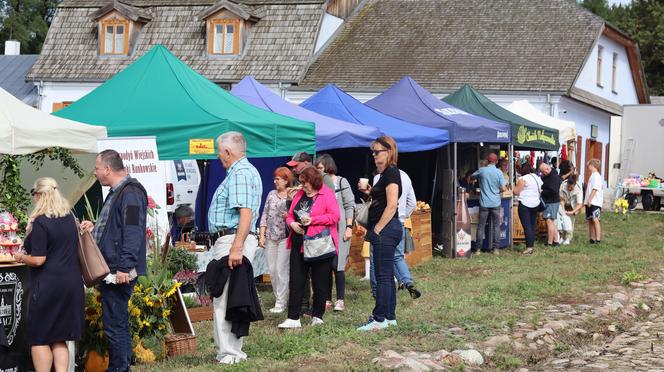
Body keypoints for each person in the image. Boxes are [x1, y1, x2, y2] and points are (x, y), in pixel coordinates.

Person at [80, 150, 147, 372]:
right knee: (116, 322)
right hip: (113, 268)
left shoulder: (131, 193)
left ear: (107, 169)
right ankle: (121, 367)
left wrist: (124, 267)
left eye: (97, 169)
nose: (96, 173)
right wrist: (95, 226)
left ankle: (119, 368)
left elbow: (133, 230)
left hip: (118, 271)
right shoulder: (118, 192)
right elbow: (116, 225)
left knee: (115, 325)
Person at [14, 178, 83, 372]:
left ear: (40, 195)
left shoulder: (41, 222)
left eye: (33, 194)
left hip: (48, 287)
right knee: (59, 337)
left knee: (39, 337)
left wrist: (20, 257)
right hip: (71, 284)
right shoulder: (70, 218)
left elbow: (38, 259)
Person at [206, 132, 262, 364]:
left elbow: (245, 213)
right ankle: (231, 351)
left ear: (228, 152)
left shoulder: (239, 173)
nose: (219, 156)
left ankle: (230, 354)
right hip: (234, 239)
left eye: (220, 152)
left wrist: (236, 248)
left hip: (232, 240)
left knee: (225, 295)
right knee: (232, 295)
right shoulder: (247, 171)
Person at [278, 166, 339, 328]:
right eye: (301, 182)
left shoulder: (327, 194)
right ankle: (293, 317)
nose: (303, 185)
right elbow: (290, 214)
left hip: (320, 243)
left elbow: (335, 216)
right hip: (299, 242)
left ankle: (317, 315)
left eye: (306, 182)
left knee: (320, 282)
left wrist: (313, 220)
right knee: (296, 280)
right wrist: (292, 224)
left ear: (314, 181)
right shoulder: (299, 194)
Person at [357, 136, 402, 331]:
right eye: (373, 152)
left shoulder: (392, 173)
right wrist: (371, 191)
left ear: (389, 151)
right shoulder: (385, 175)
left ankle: (379, 318)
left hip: (386, 229)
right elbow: (384, 199)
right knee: (387, 275)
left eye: (378, 152)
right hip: (388, 229)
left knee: (382, 276)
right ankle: (390, 317)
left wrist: (376, 229)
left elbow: (392, 205)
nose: (374, 156)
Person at [371, 168, 421, 298]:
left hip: (383, 224)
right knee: (397, 256)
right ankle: (406, 281)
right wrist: (404, 217)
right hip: (400, 223)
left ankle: (377, 291)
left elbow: (378, 203)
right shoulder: (405, 175)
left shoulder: (379, 178)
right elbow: (413, 202)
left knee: (377, 258)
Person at [315, 154, 354, 311]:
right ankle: (327, 299)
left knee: (338, 264)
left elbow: (349, 205)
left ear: (328, 167)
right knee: (326, 264)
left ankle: (340, 299)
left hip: (340, 228)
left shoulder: (341, 181)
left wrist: (349, 228)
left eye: (320, 168)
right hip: (325, 229)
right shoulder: (319, 184)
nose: (318, 171)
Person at [258, 167, 292, 314]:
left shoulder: (292, 195)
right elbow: (264, 214)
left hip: (285, 237)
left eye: (278, 179)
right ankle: (279, 297)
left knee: (281, 270)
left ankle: (281, 302)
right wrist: (262, 235)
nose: (275, 181)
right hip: (271, 237)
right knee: (272, 270)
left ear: (286, 179)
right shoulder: (271, 194)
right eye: (275, 178)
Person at [472, 153, 507, 254]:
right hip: (496, 202)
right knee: (496, 226)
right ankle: (496, 249)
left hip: (484, 203)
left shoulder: (482, 170)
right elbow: (504, 188)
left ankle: (478, 249)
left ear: (487, 161)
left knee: (481, 225)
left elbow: (472, 176)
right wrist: (496, 192)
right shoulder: (499, 172)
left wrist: (475, 180)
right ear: (496, 162)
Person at [513, 163, 542, 255]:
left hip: (525, 204)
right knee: (532, 225)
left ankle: (529, 247)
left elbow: (516, 192)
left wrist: (512, 188)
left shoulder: (523, 179)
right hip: (536, 203)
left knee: (527, 226)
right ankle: (531, 245)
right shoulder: (537, 178)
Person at [539, 163, 562, 246]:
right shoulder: (551, 175)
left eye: (543, 172)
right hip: (552, 201)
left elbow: (553, 191)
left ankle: (549, 242)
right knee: (551, 221)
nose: (543, 174)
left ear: (547, 169)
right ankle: (556, 241)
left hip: (551, 201)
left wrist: (543, 191)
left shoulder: (553, 177)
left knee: (549, 221)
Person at [558, 174, 583, 245]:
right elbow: (561, 199)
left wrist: (573, 211)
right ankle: (562, 237)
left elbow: (579, 204)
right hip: (564, 203)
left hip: (573, 206)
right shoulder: (563, 185)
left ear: (574, 185)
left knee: (570, 222)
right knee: (562, 220)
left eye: (571, 187)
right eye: (568, 186)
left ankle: (568, 238)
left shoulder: (578, 189)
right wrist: (563, 209)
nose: (569, 188)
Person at [585, 159, 604, 244]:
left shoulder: (596, 176)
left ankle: (598, 238)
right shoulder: (592, 176)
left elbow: (595, 189)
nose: (588, 168)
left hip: (595, 202)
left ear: (592, 166)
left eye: (588, 166)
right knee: (590, 220)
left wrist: (590, 199)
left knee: (595, 219)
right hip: (590, 202)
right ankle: (591, 238)